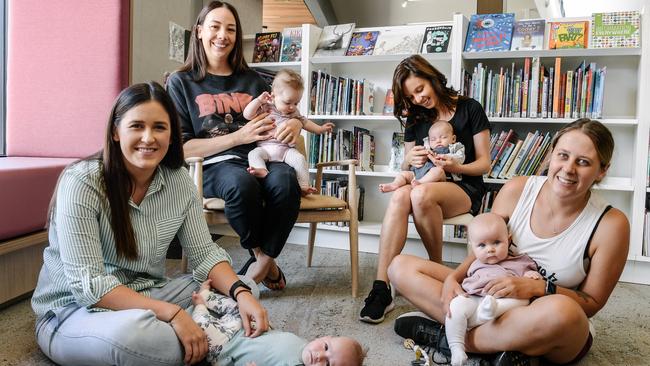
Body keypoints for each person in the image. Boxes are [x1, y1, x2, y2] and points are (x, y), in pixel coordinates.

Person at [31, 82, 269, 366]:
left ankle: (197, 337)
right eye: (137, 126)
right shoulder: (82, 181)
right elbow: (91, 287)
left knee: (245, 288)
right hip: (73, 311)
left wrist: (240, 293)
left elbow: (205, 254)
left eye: (159, 127)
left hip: (148, 293)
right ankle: (205, 336)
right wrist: (172, 313)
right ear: (116, 132)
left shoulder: (179, 180)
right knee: (138, 339)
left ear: (171, 135)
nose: (149, 137)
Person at [390, 119, 629, 364]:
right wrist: (454, 277)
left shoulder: (611, 224)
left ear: (602, 170)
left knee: (564, 313)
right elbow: (484, 246)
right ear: (550, 155)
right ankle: (502, 348)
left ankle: (454, 340)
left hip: (541, 317)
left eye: (583, 162)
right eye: (563, 155)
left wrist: (539, 288)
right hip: (483, 297)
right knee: (399, 267)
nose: (568, 169)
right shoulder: (517, 189)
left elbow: (592, 303)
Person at [166, 1, 304, 291]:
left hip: (262, 155)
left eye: (230, 29)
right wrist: (237, 138)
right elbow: (181, 150)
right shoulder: (181, 82)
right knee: (242, 185)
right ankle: (265, 261)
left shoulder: (254, 80)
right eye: (215, 27)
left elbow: (284, 111)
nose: (222, 35)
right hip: (213, 164)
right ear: (200, 31)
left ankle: (260, 263)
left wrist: (295, 123)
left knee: (287, 182)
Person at [359, 54, 491, 323]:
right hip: (424, 181)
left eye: (420, 89)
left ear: (432, 78)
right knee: (400, 196)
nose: (418, 99)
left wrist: (455, 167)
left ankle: (438, 272)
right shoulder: (416, 118)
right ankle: (381, 287)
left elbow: (484, 164)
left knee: (419, 193)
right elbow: (407, 162)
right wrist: (414, 157)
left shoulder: (470, 108)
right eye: (412, 96)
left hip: (463, 187)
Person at [191, 279, 365, 366]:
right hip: (249, 329)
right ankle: (207, 296)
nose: (320, 356)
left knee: (204, 332)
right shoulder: (305, 345)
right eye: (326, 348)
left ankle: (199, 307)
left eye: (327, 365)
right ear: (325, 337)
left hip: (227, 349)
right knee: (238, 306)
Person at [445, 213, 542, 366]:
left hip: (504, 302)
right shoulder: (474, 263)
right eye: (482, 245)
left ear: (508, 240)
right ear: (473, 247)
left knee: (522, 300)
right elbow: (465, 283)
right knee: (456, 306)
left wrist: (531, 275)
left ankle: (486, 313)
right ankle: (456, 347)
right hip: (476, 297)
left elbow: (530, 279)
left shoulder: (520, 261)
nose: (490, 249)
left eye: (496, 242)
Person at [243, 69, 334, 195]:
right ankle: (261, 170)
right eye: (287, 102)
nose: (292, 107)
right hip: (265, 148)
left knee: (300, 159)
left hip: (285, 150)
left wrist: (320, 129)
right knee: (253, 154)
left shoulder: (294, 113)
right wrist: (258, 100)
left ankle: (303, 186)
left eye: (296, 103)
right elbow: (247, 115)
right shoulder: (266, 107)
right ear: (273, 96)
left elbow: (306, 123)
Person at [379, 120, 465, 192]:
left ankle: (419, 183)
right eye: (433, 139)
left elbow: (460, 158)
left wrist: (443, 157)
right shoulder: (427, 148)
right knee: (403, 174)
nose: (438, 141)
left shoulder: (455, 147)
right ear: (429, 141)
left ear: (453, 139)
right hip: (418, 173)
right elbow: (410, 162)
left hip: (441, 177)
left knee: (437, 171)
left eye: (443, 137)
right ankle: (395, 184)